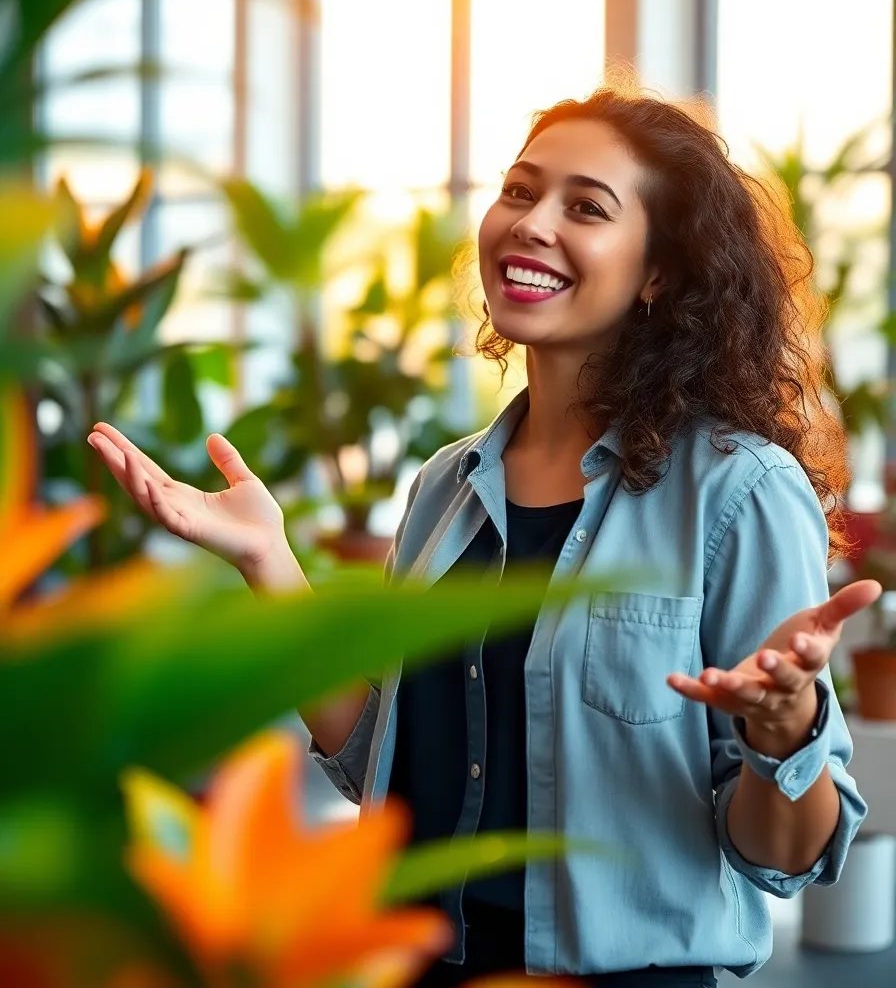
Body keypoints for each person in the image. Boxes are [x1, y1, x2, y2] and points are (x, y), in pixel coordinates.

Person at [88, 85, 876, 988]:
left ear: (658, 272)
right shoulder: (443, 487)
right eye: (519, 191)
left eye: (586, 207)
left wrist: (785, 730)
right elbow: (376, 761)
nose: (533, 224)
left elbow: (786, 854)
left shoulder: (738, 490)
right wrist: (271, 559)